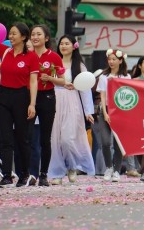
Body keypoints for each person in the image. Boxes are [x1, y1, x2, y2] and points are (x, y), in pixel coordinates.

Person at [0, 23, 39, 188]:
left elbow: (33, 82)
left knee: (22, 138)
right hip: (3, 97)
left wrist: (32, 104)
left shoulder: (31, 57)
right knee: (5, 138)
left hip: (22, 97)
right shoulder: (6, 51)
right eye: (10, 34)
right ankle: (6, 175)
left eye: (14, 34)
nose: (10, 37)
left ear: (23, 37)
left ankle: (25, 174)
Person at [49, 35, 95, 184]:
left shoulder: (79, 66)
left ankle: (72, 166)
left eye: (67, 43)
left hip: (72, 103)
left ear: (73, 46)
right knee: (55, 140)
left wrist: (88, 111)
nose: (63, 46)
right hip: (55, 102)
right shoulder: (54, 63)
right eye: (61, 43)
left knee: (67, 139)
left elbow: (85, 90)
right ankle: (57, 172)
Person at [29, 25, 66, 186]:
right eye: (33, 34)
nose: (35, 37)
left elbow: (63, 81)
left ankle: (43, 174)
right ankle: (30, 174)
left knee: (45, 138)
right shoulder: (26, 56)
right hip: (29, 98)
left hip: (47, 97)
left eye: (39, 34)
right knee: (29, 137)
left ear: (46, 38)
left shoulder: (54, 57)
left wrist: (50, 78)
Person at [93, 49, 130, 182]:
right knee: (105, 141)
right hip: (106, 109)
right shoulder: (104, 76)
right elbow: (102, 95)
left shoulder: (126, 77)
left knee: (118, 143)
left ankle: (116, 170)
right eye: (109, 59)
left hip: (121, 111)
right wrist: (105, 113)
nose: (111, 62)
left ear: (121, 61)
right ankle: (108, 167)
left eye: (114, 59)